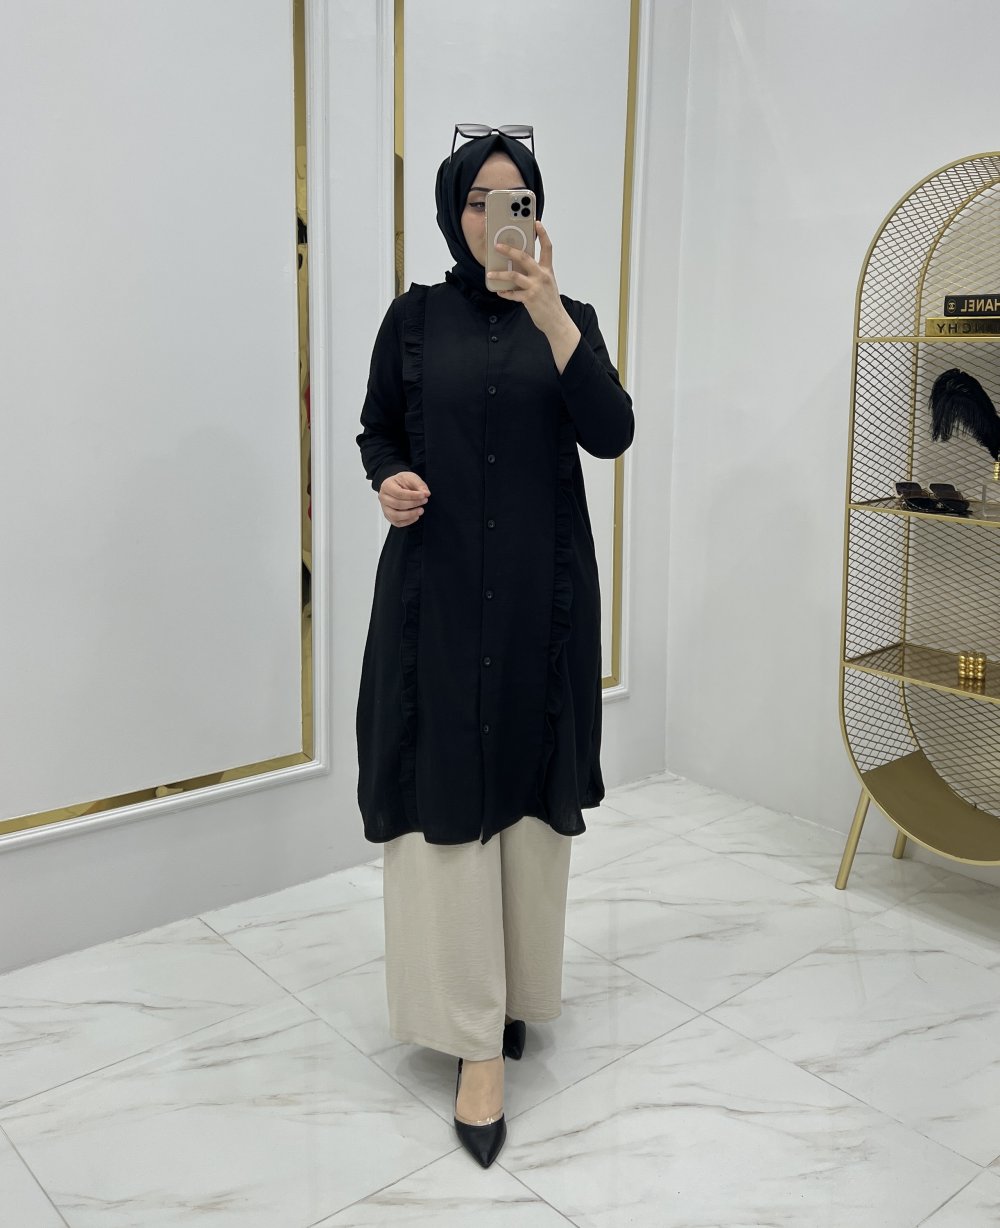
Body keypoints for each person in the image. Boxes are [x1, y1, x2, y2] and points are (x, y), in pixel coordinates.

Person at [355, 126, 634, 1168]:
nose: (493, 219)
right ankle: (475, 1041)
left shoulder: (571, 319)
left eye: (515, 201)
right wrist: (388, 480)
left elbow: (610, 431)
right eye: (478, 200)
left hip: (536, 596)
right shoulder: (411, 320)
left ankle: (512, 995)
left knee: (521, 784)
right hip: (435, 594)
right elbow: (378, 429)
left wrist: (550, 310)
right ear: (452, 210)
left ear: (536, 214)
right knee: (448, 791)